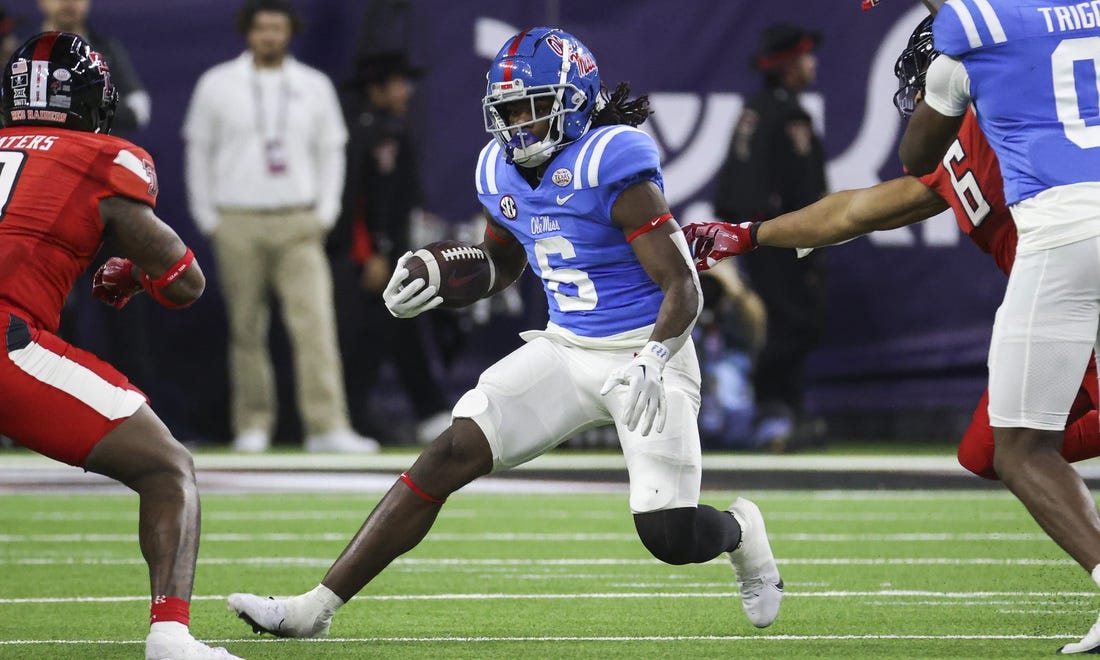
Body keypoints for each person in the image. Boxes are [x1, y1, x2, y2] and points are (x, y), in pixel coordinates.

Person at [227, 27, 783, 636]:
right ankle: (315, 609)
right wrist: (438, 285)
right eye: (508, 110)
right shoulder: (500, 168)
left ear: (574, 100)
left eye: (531, 106)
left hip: (650, 354)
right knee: (447, 453)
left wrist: (654, 355)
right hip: (567, 350)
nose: (518, 125)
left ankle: (740, 531)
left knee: (669, 536)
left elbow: (684, 285)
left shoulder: (611, 161)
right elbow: (502, 263)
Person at [683, 16, 1100, 483]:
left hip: (1075, 277)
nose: (918, 101)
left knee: (1014, 452)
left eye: (923, 86)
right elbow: (855, 211)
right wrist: (748, 234)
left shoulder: (1015, 114)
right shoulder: (964, 147)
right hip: (1052, 295)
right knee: (989, 454)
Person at [0, 32, 239, 660]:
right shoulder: (100, 157)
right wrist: (131, 273)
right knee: (166, 467)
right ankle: (170, 636)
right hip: (6, 343)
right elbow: (184, 280)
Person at [897, 1, 1100, 653]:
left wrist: (951, 85)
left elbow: (915, 154)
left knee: (1017, 449)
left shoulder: (969, 35)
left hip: (1065, 230)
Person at [182, 0, 378, 453]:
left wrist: (325, 212)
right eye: (262, 28)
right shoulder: (217, 84)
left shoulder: (314, 85)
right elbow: (198, 151)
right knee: (246, 328)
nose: (270, 35)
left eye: (278, 27)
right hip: (237, 219)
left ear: (290, 31)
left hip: (298, 221)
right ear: (247, 32)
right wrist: (208, 217)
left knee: (315, 325)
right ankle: (253, 423)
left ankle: (327, 426)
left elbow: (332, 151)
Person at [711, 22, 828, 451]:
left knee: (789, 325)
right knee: (789, 324)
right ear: (787, 65)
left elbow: (732, 189)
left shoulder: (759, 108)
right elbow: (797, 188)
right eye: (804, 57)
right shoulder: (783, 114)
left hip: (759, 236)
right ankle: (774, 415)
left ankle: (778, 414)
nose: (812, 64)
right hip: (780, 239)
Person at [330, 50, 452, 445]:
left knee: (398, 330)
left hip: (394, 252)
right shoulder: (361, 131)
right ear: (376, 87)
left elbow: (399, 201)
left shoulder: (394, 127)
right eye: (398, 82)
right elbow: (357, 200)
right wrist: (371, 254)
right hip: (369, 258)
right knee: (368, 336)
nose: (407, 91)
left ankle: (421, 411)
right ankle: (362, 415)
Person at [39, 0, 158, 403]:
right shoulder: (23, 50)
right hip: (44, 198)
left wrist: (65, 113)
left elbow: (137, 112)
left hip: (100, 193)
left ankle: (137, 406)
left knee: (123, 300)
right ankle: (44, 409)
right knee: (48, 307)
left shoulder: (106, 48)